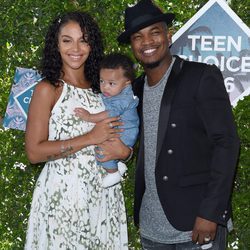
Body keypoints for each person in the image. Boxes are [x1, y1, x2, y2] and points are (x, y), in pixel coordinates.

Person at [117, 0, 240, 249]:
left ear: (169, 36)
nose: (147, 42)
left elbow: (226, 143)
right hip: (152, 229)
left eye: (155, 32)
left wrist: (211, 212)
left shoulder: (200, 76)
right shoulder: (135, 90)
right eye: (138, 37)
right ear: (132, 46)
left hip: (196, 225)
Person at [25, 11, 130, 249]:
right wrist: (89, 138)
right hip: (63, 198)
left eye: (83, 39)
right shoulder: (48, 89)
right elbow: (34, 152)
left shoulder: (102, 90)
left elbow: (122, 134)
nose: (76, 48)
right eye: (67, 40)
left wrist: (125, 153)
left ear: (92, 45)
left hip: (104, 195)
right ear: (56, 44)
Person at [75, 53, 139, 188]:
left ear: (127, 83)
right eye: (102, 81)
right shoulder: (117, 92)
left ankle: (113, 172)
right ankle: (119, 166)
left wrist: (89, 117)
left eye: (111, 83)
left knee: (103, 148)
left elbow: (111, 113)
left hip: (125, 133)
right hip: (123, 130)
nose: (105, 87)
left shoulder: (124, 98)